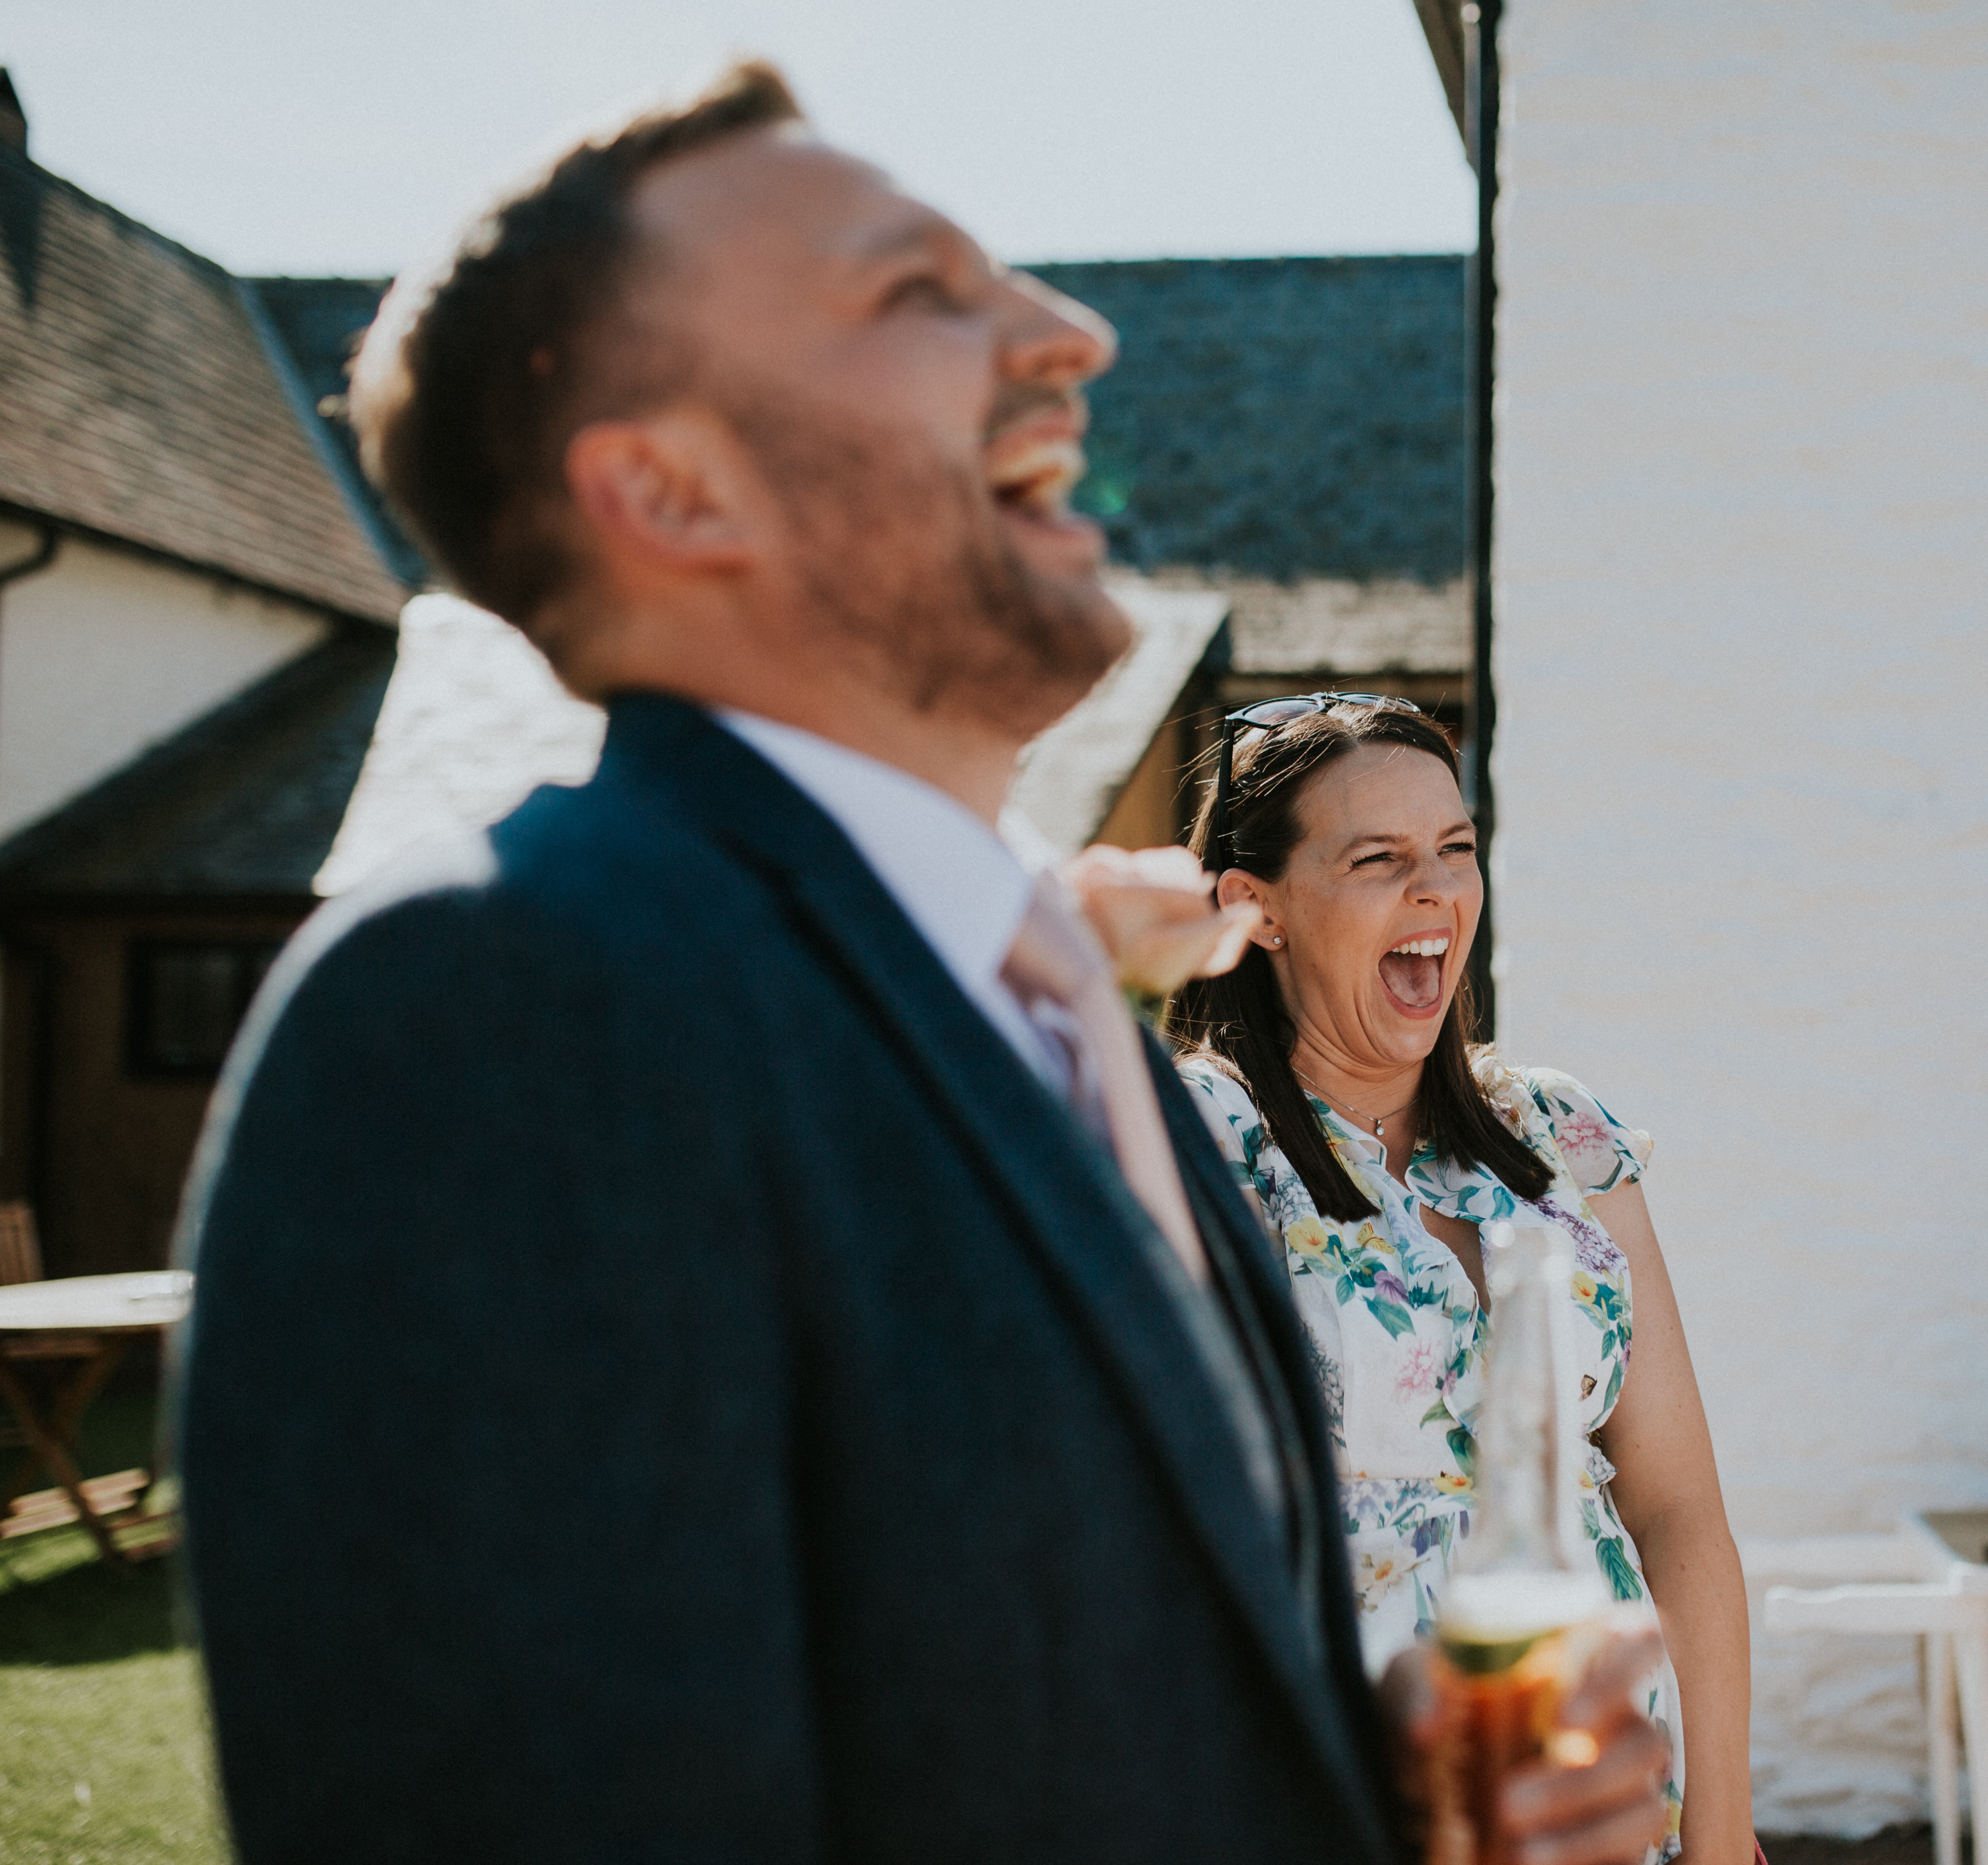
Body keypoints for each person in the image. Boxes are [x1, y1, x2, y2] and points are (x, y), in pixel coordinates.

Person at [172, 63, 1670, 1863]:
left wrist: (1384, 1795)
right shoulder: (500, 1011)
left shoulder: (1047, 1019)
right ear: (668, 488)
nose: (1070, 335)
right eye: (915, 294)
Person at [1161, 696, 1753, 1865]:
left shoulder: (1560, 1134)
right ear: (1256, 908)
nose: (1435, 890)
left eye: (1456, 848)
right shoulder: (1193, 1140)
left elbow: (1676, 1506)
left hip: (1609, 1803)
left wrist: (1725, 1835)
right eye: (1378, 859)